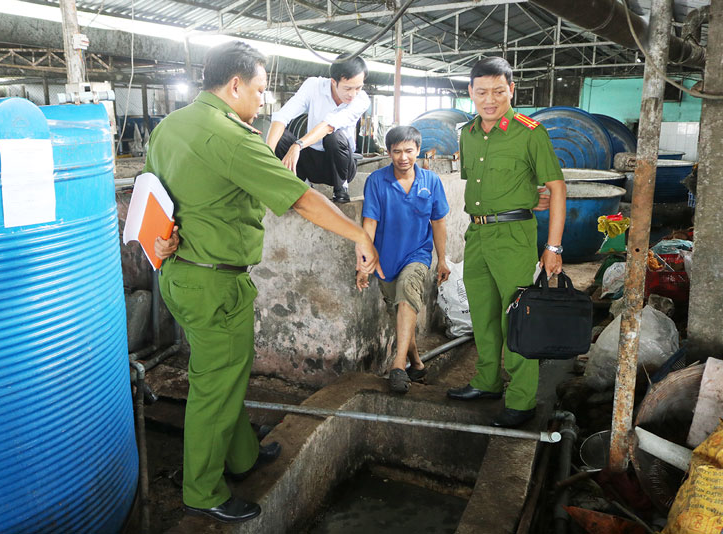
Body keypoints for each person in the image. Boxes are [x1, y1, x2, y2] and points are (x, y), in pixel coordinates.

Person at [145, 41, 383, 524]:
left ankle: (241, 458)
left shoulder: (169, 126)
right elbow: (300, 199)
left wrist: (160, 243)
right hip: (215, 282)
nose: (262, 100)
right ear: (234, 85)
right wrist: (359, 232)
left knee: (227, 370)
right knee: (214, 385)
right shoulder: (233, 135)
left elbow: (152, 195)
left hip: (181, 274)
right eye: (258, 89)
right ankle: (203, 489)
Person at [445, 56, 567, 429]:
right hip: (477, 233)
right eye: (481, 92)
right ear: (470, 93)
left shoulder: (530, 132)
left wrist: (553, 246)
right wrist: (526, 193)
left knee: (515, 317)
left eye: (499, 91)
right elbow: (485, 186)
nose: (490, 99)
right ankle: (487, 382)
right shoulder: (466, 133)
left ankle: (521, 400)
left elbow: (558, 188)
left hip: (514, 236)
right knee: (482, 314)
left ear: (511, 90)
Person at [356, 125, 450, 394]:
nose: (403, 157)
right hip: (384, 261)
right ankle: (417, 364)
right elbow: (369, 223)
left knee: (408, 291)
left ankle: (398, 367)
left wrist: (442, 259)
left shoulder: (431, 182)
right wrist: (363, 263)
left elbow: (439, 223)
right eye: (396, 151)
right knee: (399, 312)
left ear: (418, 151)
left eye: (409, 151)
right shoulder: (376, 181)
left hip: (417, 254)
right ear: (388, 152)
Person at [265, 53, 370, 204]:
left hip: (341, 164)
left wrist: (298, 145)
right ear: (334, 81)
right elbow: (282, 116)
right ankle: (302, 185)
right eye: (348, 88)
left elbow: (328, 126)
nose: (353, 94)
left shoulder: (361, 100)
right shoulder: (313, 86)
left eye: (358, 88)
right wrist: (267, 156)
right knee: (280, 136)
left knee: (333, 135)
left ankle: (341, 188)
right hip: (312, 160)